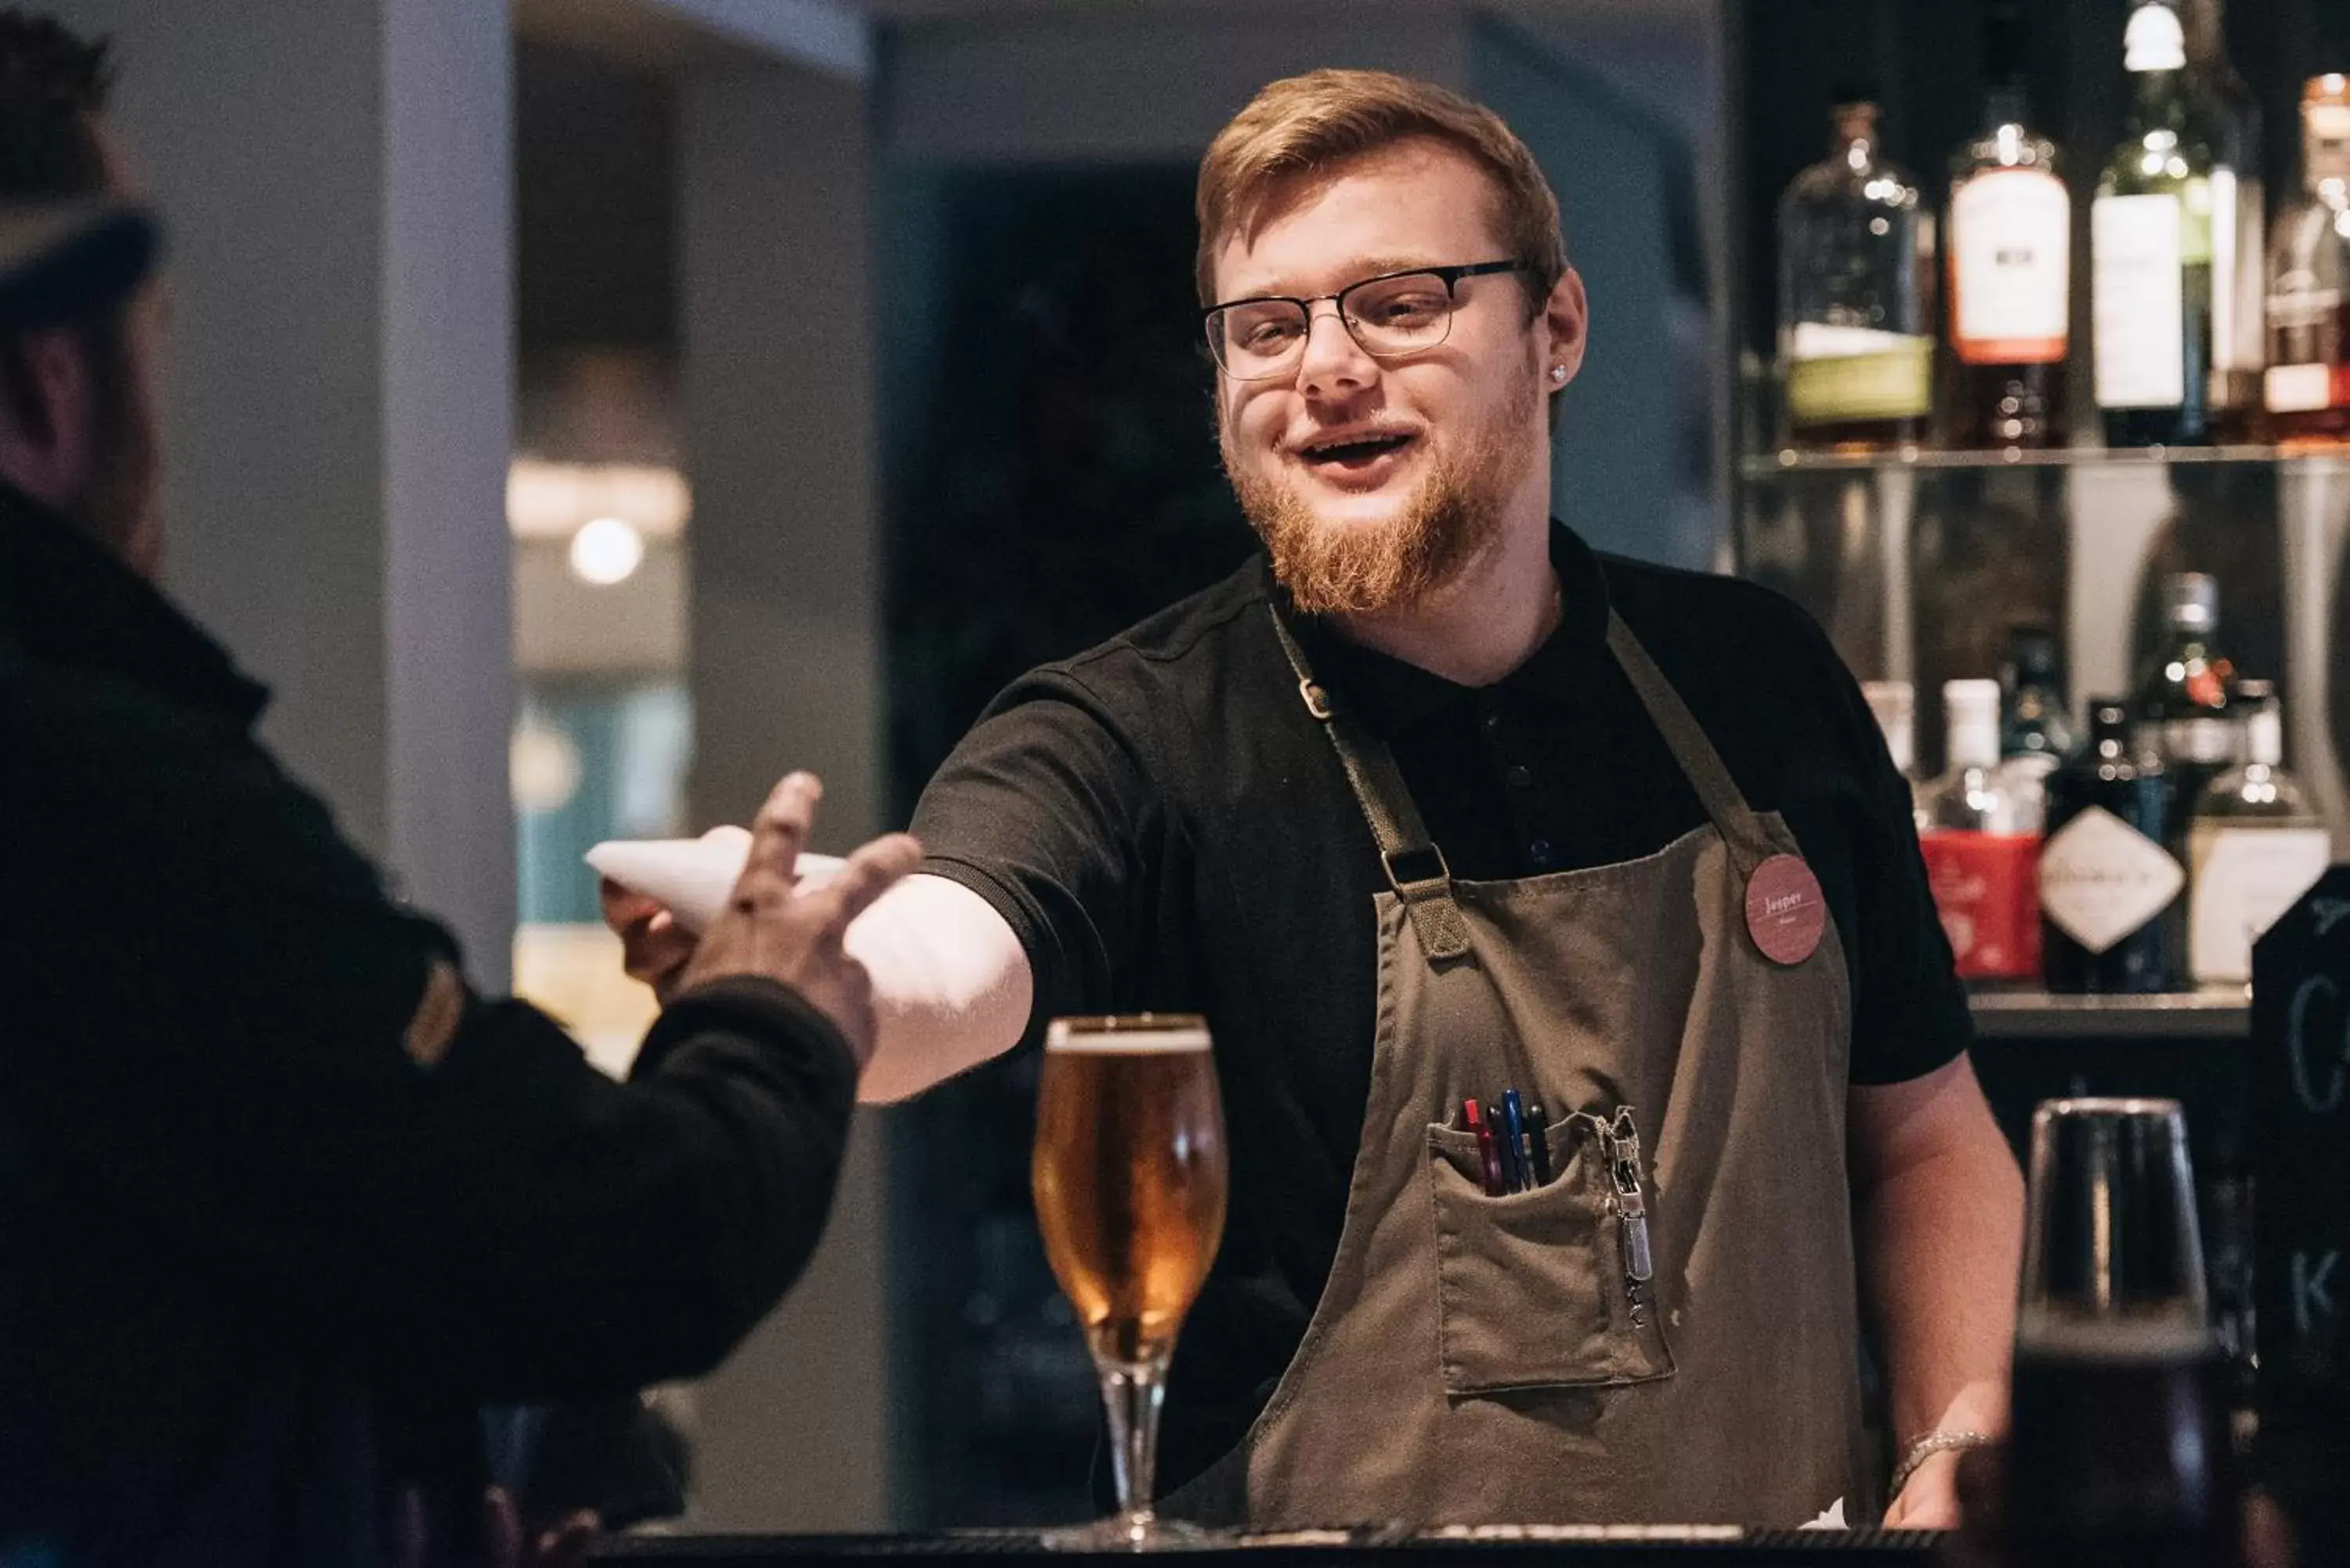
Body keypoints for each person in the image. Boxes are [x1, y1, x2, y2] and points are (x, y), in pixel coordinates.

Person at [609, 69, 2025, 1530]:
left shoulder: (1759, 679)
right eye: (1267, 326)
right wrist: (811, 970)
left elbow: (1923, 1135)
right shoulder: (1131, 734)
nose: (1326, 367)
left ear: (1558, 331)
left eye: (1400, 302)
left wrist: (1950, 1452)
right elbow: (949, 957)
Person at [0, 15, 921, 1565]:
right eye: (152, 326)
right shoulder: (85, 787)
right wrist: (771, 1010)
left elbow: (255, 1226)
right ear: (49, 375)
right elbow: (610, 1236)